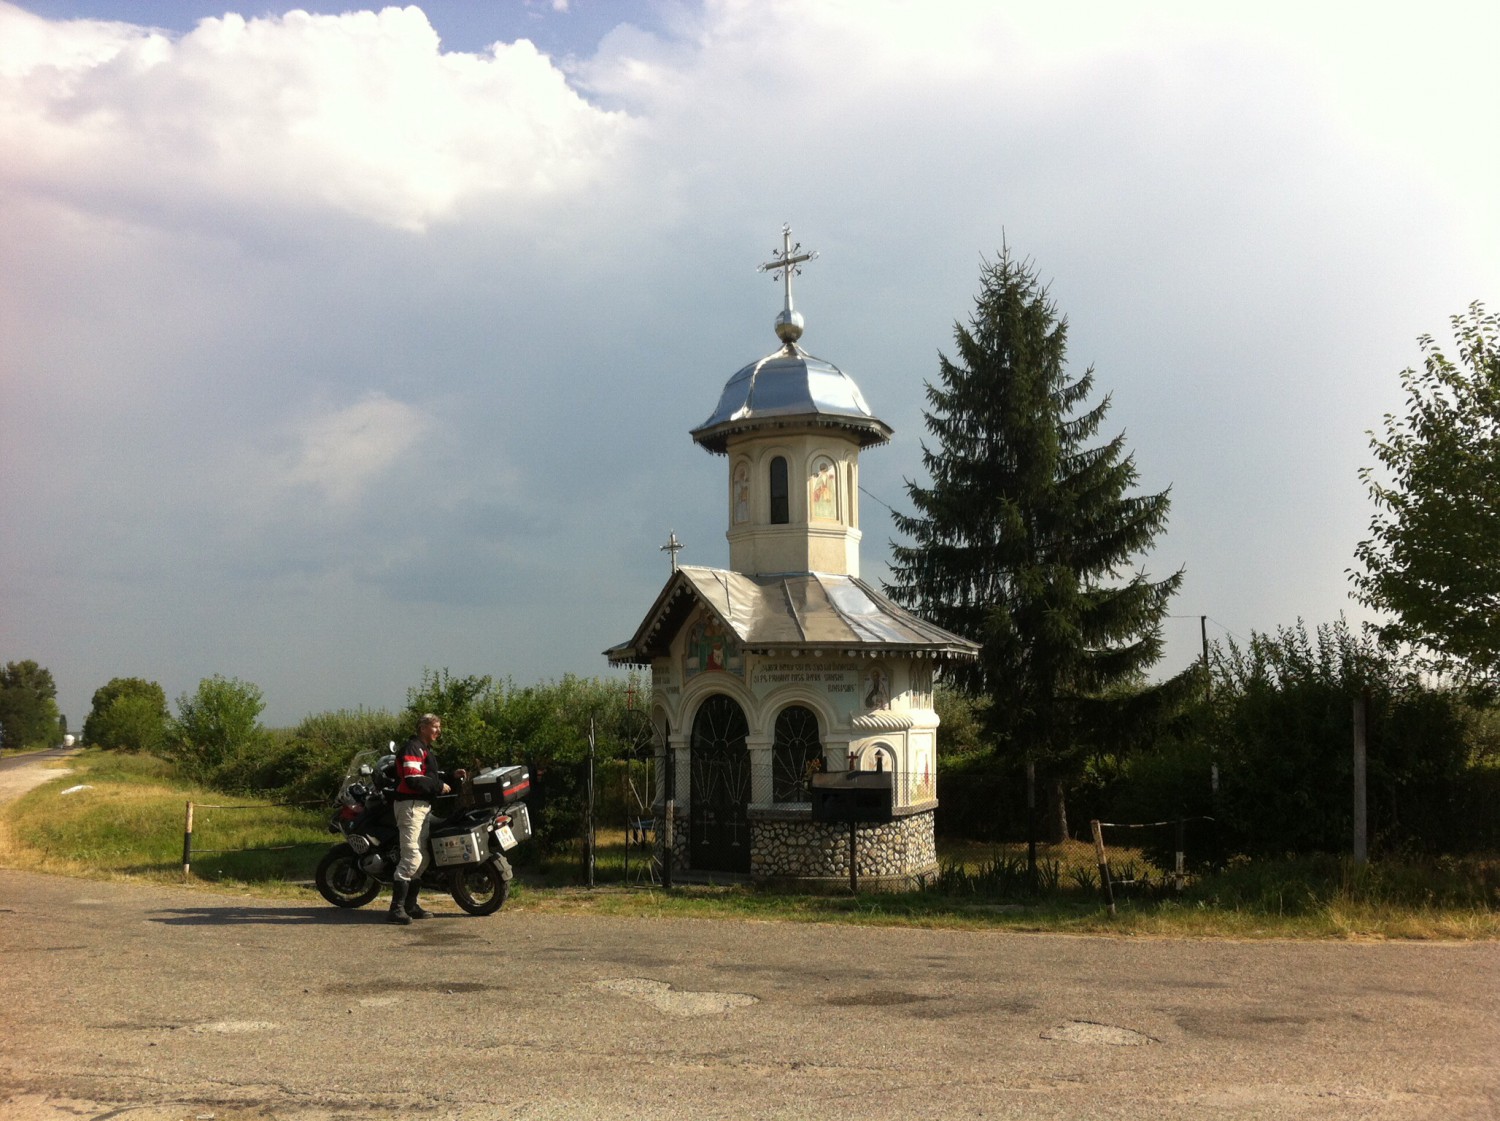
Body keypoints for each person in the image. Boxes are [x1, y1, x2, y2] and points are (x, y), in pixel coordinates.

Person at [388, 713, 464, 924]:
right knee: (412, 856)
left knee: (423, 857)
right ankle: (396, 909)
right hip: (410, 806)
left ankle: (410, 906)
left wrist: (450, 776)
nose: (439, 731)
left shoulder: (423, 749)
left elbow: (427, 775)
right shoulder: (413, 748)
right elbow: (413, 779)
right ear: (423, 728)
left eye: (439, 727)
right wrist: (439, 785)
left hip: (421, 807)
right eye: (435, 727)